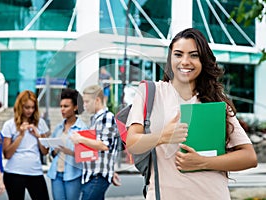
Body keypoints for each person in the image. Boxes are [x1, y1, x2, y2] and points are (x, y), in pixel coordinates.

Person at [126, 28, 258, 200]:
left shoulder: (216, 102)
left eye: (194, 55)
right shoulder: (150, 92)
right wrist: (164, 136)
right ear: (170, 58)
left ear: (203, 61)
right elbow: (132, 143)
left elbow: (249, 157)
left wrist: (203, 162)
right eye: (178, 54)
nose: (185, 61)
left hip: (213, 194)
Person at [70, 85, 120, 200]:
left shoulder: (107, 117)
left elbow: (105, 145)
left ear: (97, 100)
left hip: (98, 176)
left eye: (87, 101)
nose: (84, 105)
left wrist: (80, 139)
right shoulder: (95, 119)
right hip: (93, 174)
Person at [1, 90, 50, 200]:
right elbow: (7, 154)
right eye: (27, 107)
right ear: (20, 106)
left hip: (35, 172)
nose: (30, 111)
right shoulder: (9, 125)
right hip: (14, 173)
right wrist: (20, 135)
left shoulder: (40, 123)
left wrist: (39, 136)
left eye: (32, 107)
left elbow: (45, 151)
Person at [47, 88, 88, 200]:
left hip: (73, 175)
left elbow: (86, 156)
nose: (62, 110)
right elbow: (52, 153)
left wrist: (69, 152)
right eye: (61, 106)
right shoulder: (58, 127)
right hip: (56, 174)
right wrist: (54, 150)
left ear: (75, 107)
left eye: (66, 106)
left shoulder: (82, 128)